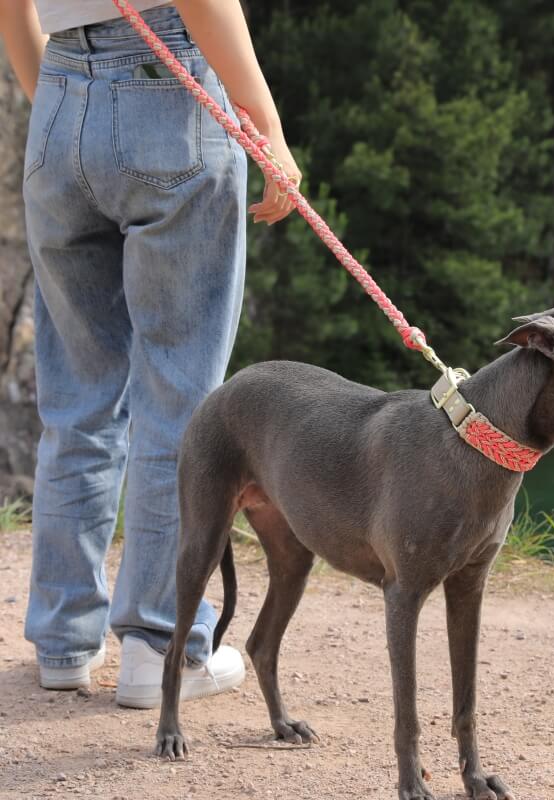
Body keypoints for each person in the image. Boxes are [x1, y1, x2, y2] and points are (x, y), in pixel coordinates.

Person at [0, 0, 301, 708]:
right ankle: (158, 653)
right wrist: (270, 130)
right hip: (165, 85)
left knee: (77, 398)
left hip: (57, 96)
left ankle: (66, 645)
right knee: (182, 398)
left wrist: (69, 114)